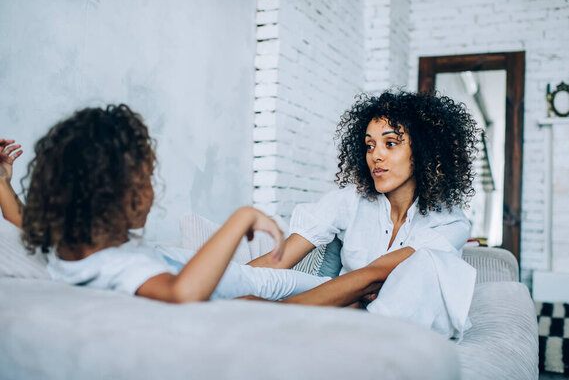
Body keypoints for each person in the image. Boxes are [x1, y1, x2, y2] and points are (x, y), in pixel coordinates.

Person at [0, 105, 408, 305]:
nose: (152, 190)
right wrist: (241, 219)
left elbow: (16, 214)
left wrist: (2, 180)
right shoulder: (124, 266)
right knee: (362, 284)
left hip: (233, 279)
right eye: (146, 178)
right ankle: (397, 265)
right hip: (248, 287)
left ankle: (379, 277)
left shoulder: (68, 242)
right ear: (118, 194)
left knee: (353, 288)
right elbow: (182, 293)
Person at [248, 91, 480, 338]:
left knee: (423, 266)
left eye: (390, 144)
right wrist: (226, 288)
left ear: (424, 151)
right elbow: (278, 262)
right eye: (370, 145)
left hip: (403, 325)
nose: (376, 156)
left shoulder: (451, 223)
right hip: (345, 306)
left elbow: (372, 276)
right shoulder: (351, 200)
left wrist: (277, 316)